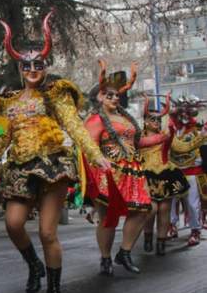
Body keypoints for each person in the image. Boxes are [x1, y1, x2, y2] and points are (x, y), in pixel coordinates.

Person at [0, 13, 110, 293]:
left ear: (45, 68)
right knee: (13, 223)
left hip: (52, 167)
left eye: (39, 65)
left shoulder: (56, 94)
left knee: (48, 233)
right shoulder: (8, 102)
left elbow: (75, 128)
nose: (33, 70)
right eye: (27, 66)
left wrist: (94, 154)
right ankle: (34, 264)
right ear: (20, 69)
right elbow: (1, 141)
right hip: (21, 168)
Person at [85, 60, 154, 275]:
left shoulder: (124, 118)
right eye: (109, 95)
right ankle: (106, 259)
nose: (115, 98)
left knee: (145, 209)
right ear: (100, 97)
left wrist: (162, 137)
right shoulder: (96, 119)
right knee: (108, 217)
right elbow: (89, 147)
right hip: (109, 173)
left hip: (133, 172)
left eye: (117, 95)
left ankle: (124, 252)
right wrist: (98, 173)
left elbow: (137, 142)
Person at [140, 94, 189, 255]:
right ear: (145, 121)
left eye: (158, 120)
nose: (156, 122)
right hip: (146, 176)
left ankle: (161, 242)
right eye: (153, 119)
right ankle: (147, 237)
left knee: (165, 209)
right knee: (151, 209)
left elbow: (181, 148)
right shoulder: (138, 137)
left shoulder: (166, 134)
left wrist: (201, 137)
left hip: (166, 173)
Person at [168, 96, 207, 246]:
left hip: (192, 170)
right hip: (174, 170)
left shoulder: (199, 129)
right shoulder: (171, 129)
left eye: (187, 113)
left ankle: (195, 230)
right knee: (171, 201)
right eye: (181, 112)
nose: (183, 116)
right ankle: (171, 225)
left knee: (192, 202)